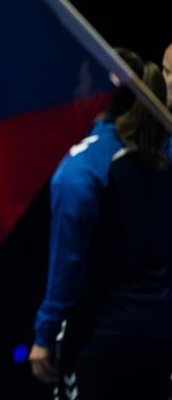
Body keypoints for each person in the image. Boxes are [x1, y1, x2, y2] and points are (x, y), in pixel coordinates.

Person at [29, 49, 145, 386]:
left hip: (100, 335)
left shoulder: (80, 169)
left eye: (79, 83)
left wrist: (45, 332)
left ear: (94, 92)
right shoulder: (160, 153)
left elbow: (69, 258)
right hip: (157, 336)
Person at [59, 61, 172, 399]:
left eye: (170, 72)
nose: (165, 82)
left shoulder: (91, 168)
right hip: (144, 333)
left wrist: (46, 329)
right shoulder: (144, 157)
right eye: (165, 71)